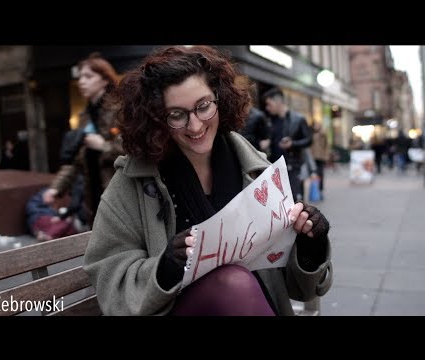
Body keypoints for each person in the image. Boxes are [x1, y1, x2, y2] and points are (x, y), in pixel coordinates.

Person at [84, 45, 332, 316]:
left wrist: (310, 244)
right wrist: (165, 269)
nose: (195, 126)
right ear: (155, 118)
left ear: (220, 99)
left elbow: (299, 288)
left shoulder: (256, 170)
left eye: (203, 107)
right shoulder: (130, 183)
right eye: (176, 115)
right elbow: (109, 278)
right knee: (233, 282)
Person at [42, 52, 124, 227]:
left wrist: (104, 146)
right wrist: (56, 188)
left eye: (88, 76)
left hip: (120, 193)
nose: (81, 81)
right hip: (93, 192)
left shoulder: (120, 109)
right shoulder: (84, 116)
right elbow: (75, 160)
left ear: (104, 79)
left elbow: (136, 149)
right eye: (80, 77)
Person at [263, 87, 313, 202]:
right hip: (274, 166)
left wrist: (292, 144)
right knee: (279, 200)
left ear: (278, 102)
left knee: (293, 198)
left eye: (269, 104)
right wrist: (268, 142)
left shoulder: (298, 119)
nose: (267, 108)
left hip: (292, 166)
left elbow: (309, 140)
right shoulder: (270, 120)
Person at [239, 85, 271, 154]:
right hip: (240, 150)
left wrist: (265, 143)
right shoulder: (236, 114)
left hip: (254, 151)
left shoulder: (258, 116)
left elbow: (266, 136)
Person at [310, 121, 329, 191]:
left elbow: (326, 145)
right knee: (314, 173)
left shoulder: (323, 134)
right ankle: (315, 188)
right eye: (315, 125)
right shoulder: (310, 134)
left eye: (318, 125)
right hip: (313, 157)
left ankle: (320, 188)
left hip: (321, 156)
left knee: (320, 173)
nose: (316, 127)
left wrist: (326, 155)